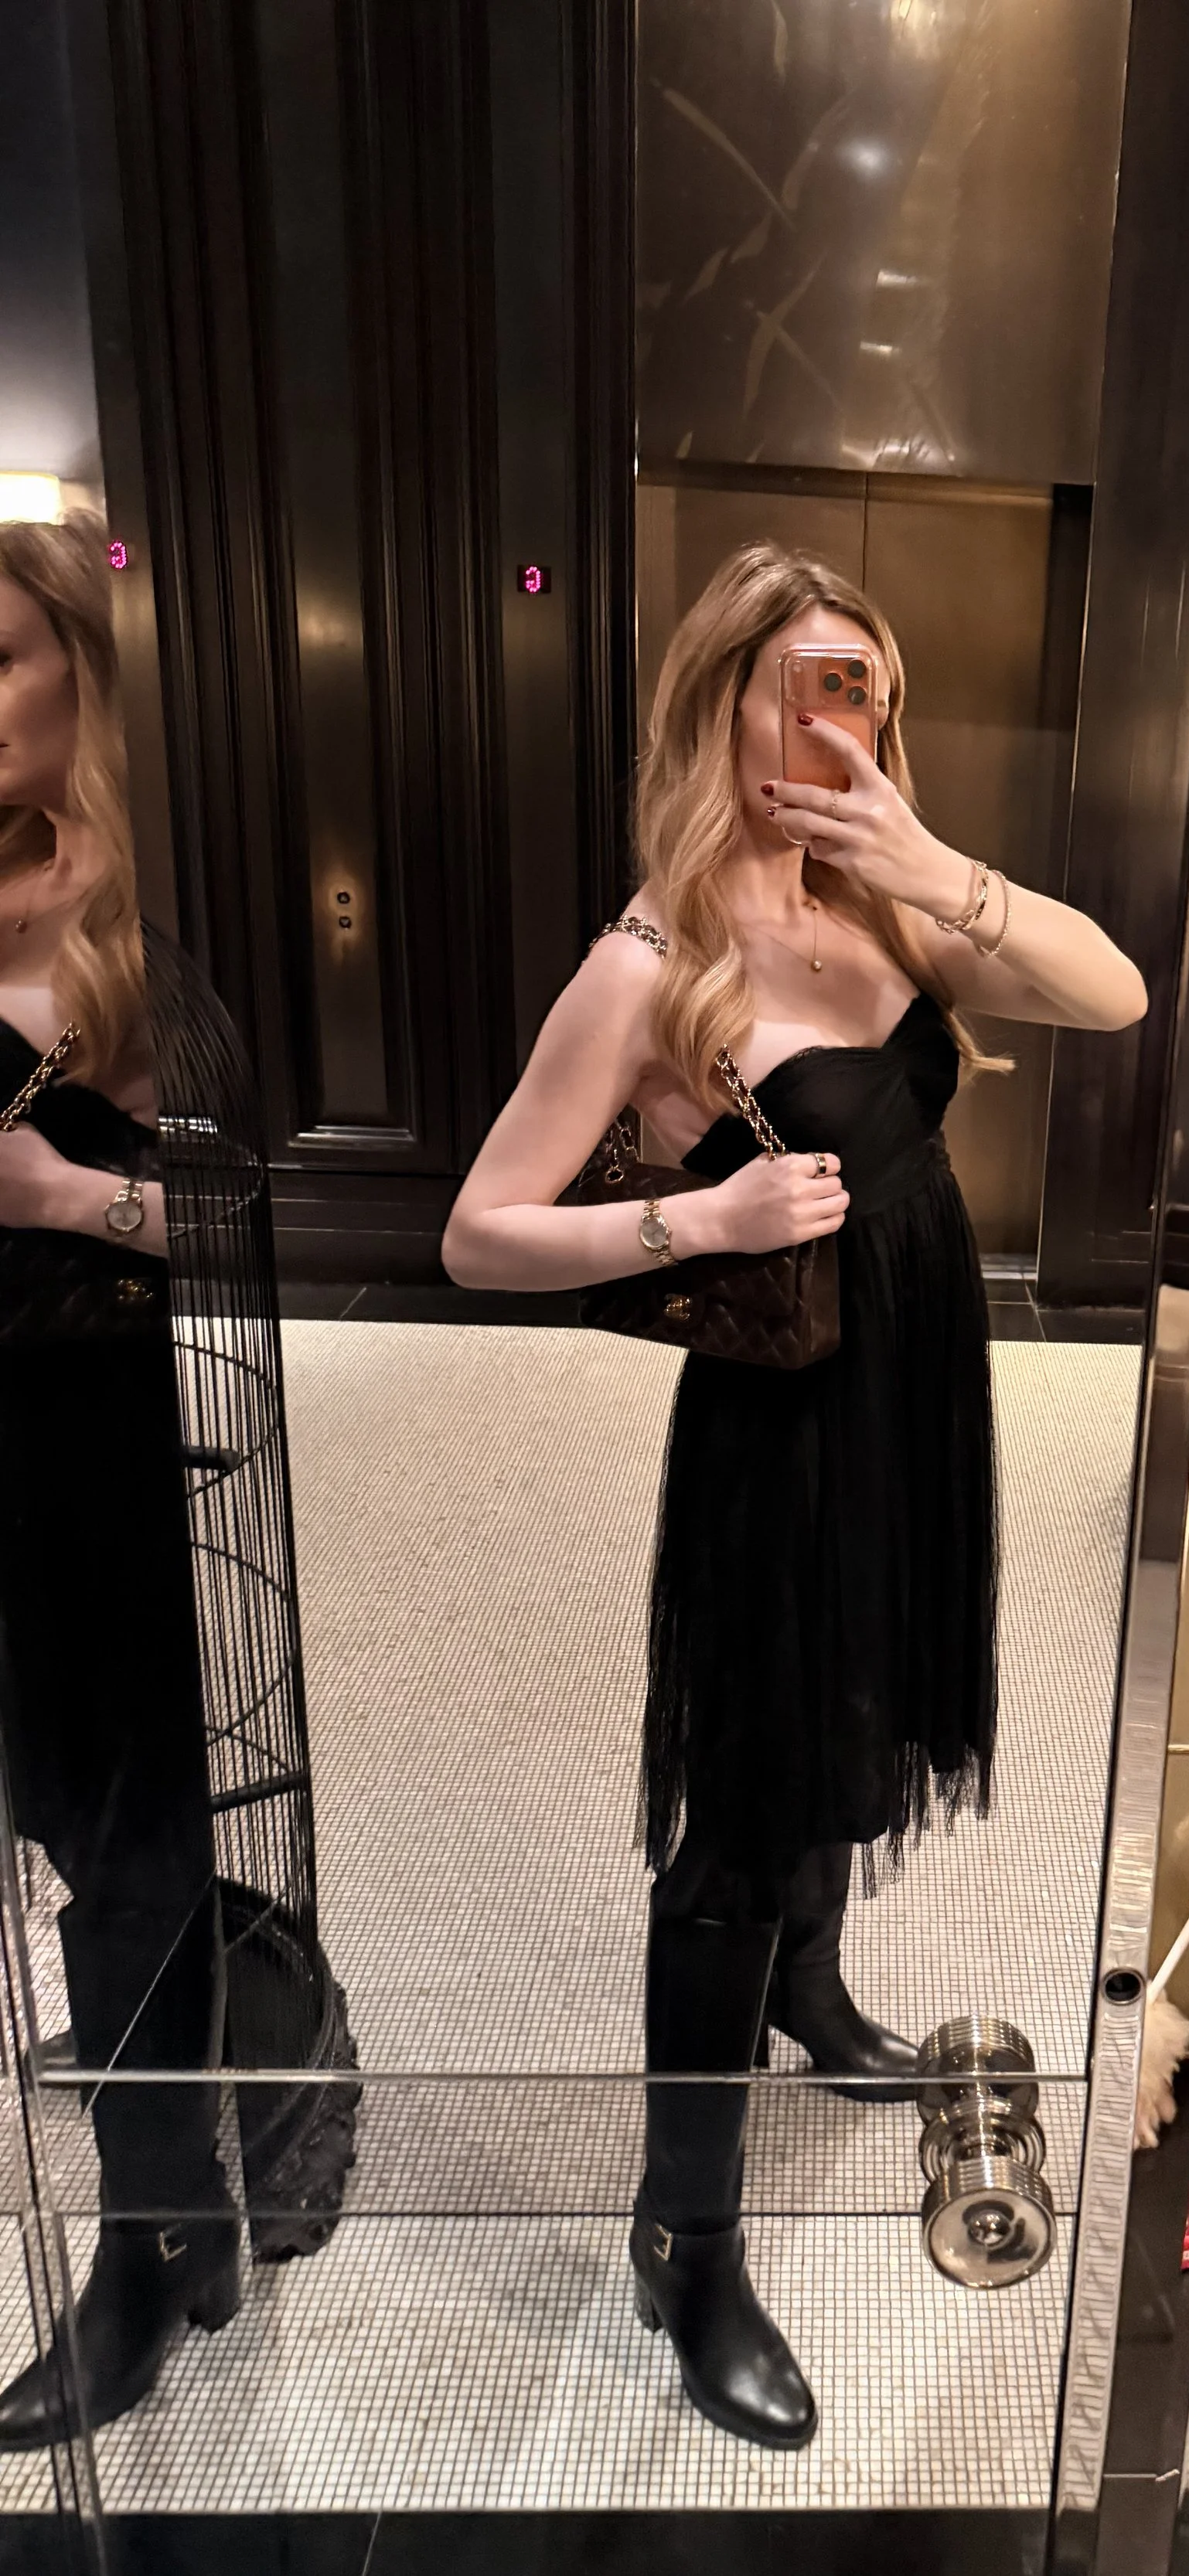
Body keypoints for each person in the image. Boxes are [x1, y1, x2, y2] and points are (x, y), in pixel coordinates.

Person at [443, 543, 1146, 2448]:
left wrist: (922, 858)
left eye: (877, 685)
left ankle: (815, 1997)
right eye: (819, 678)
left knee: (867, 1704)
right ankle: (685, 2238)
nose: (853, 716)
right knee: (746, 1807)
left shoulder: (883, 896)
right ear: (727, 693)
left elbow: (1112, 988)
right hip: (784, 1415)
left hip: (920, 1376)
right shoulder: (651, 957)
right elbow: (477, 1232)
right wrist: (699, 1211)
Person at [0, 515, 237, 2445]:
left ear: (79, 669)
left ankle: (152, 2249)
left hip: (82, 1439)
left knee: (126, 1848)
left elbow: (247, 1227)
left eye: (1, 655)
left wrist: (61, 1192)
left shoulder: (140, 937)